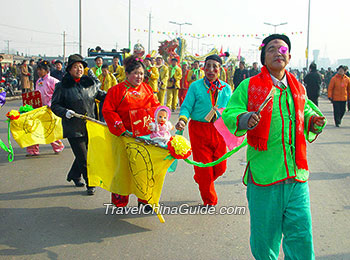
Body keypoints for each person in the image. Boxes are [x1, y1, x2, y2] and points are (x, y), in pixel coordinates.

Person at [222, 34, 326, 260]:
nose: (278, 52)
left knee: (300, 235)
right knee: (264, 238)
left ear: (289, 57)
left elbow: (306, 111)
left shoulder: (298, 88)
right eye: (271, 49)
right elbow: (230, 113)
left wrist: (313, 121)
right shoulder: (249, 86)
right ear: (263, 57)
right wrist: (244, 118)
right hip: (264, 175)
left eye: (282, 49)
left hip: (297, 175)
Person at [102, 54, 160, 208]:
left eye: (141, 73)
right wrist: (120, 128)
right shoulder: (116, 90)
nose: (139, 76)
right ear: (127, 74)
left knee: (144, 168)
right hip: (123, 136)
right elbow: (108, 111)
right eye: (135, 73)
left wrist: (160, 122)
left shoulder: (147, 89)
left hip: (144, 136)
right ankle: (119, 202)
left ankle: (144, 199)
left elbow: (156, 108)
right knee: (123, 170)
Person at [175, 54, 232, 206]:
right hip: (199, 130)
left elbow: (232, 110)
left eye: (215, 67)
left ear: (220, 70)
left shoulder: (226, 89)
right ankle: (209, 200)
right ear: (203, 68)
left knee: (220, 167)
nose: (211, 70)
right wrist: (182, 119)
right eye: (208, 66)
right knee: (205, 168)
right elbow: (187, 106)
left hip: (220, 130)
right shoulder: (195, 86)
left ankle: (201, 179)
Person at [51, 54, 106, 195]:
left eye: (81, 67)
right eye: (75, 67)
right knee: (84, 157)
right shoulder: (62, 86)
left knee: (83, 154)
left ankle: (74, 175)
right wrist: (65, 112)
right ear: (69, 69)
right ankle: (90, 183)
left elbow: (103, 96)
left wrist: (117, 94)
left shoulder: (90, 84)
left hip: (91, 125)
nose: (79, 69)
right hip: (73, 128)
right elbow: (55, 105)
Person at [26, 60, 65, 156]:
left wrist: (51, 104)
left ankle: (58, 146)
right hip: (39, 109)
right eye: (38, 70)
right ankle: (33, 150)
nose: (38, 72)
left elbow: (58, 94)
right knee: (34, 129)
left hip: (49, 109)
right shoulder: (38, 81)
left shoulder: (53, 81)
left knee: (50, 130)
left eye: (41, 70)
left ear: (47, 70)